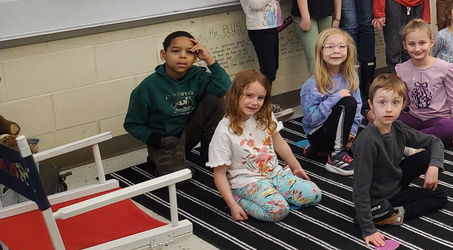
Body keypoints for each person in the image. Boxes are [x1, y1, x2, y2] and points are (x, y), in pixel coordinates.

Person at [209, 69, 321, 222]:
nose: (255, 102)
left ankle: (273, 193)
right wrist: (233, 205)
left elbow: (279, 142)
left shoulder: (265, 115)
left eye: (260, 97)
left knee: (314, 194)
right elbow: (219, 174)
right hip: (247, 183)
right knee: (278, 211)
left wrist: (295, 167)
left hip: (275, 174)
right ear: (235, 95)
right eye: (249, 95)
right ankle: (237, 198)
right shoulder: (224, 131)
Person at [352, 74, 447, 248]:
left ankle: (386, 212)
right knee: (438, 197)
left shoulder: (398, 128)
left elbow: (434, 141)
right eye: (382, 102)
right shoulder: (367, 141)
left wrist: (434, 167)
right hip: (378, 199)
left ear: (403, 105)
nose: (389, 109)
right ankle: (387, 215)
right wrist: (368, 229)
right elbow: (360, 188)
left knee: (430, 167)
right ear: (371, 105)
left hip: (394, 185)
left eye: (395, 103)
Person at [124, 31, 230, 174]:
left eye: (189, 52)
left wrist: (209, 59)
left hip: (190, 132)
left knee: (217, 100)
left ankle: (209, 153)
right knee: (180, 179)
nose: (182, 56)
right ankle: (159, 158)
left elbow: (224, 87)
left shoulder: (198, 76)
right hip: (166, 141)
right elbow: (132, 124)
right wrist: (157, 140)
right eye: (175, 51)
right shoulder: (147, 87)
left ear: (195, 58)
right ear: (163, 54)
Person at [395, 19, 453, 149]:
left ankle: (407, 140)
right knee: (390, 118)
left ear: (431, 42)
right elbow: (403, 100)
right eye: (411, 44)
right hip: (414, 118)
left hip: (438, 119)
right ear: (404, 45)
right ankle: (419, 140)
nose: (417, 48)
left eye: (422, 43)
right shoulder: (401, 69)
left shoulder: (445, 68)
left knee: (449, 127)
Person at [300, 29, 363, 175]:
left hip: (342, 133)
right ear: (320, 51)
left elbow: (358, 108)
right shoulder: (311, 85)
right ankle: (336, 155)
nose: (336, 51)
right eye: (329, 47)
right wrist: (335, 98)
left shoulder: (351, 77)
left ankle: (321, 151)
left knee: (368, 141)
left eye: (342, 46)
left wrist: (352, 133)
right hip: (319, 135)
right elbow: (311, 121)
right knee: (347, 102)